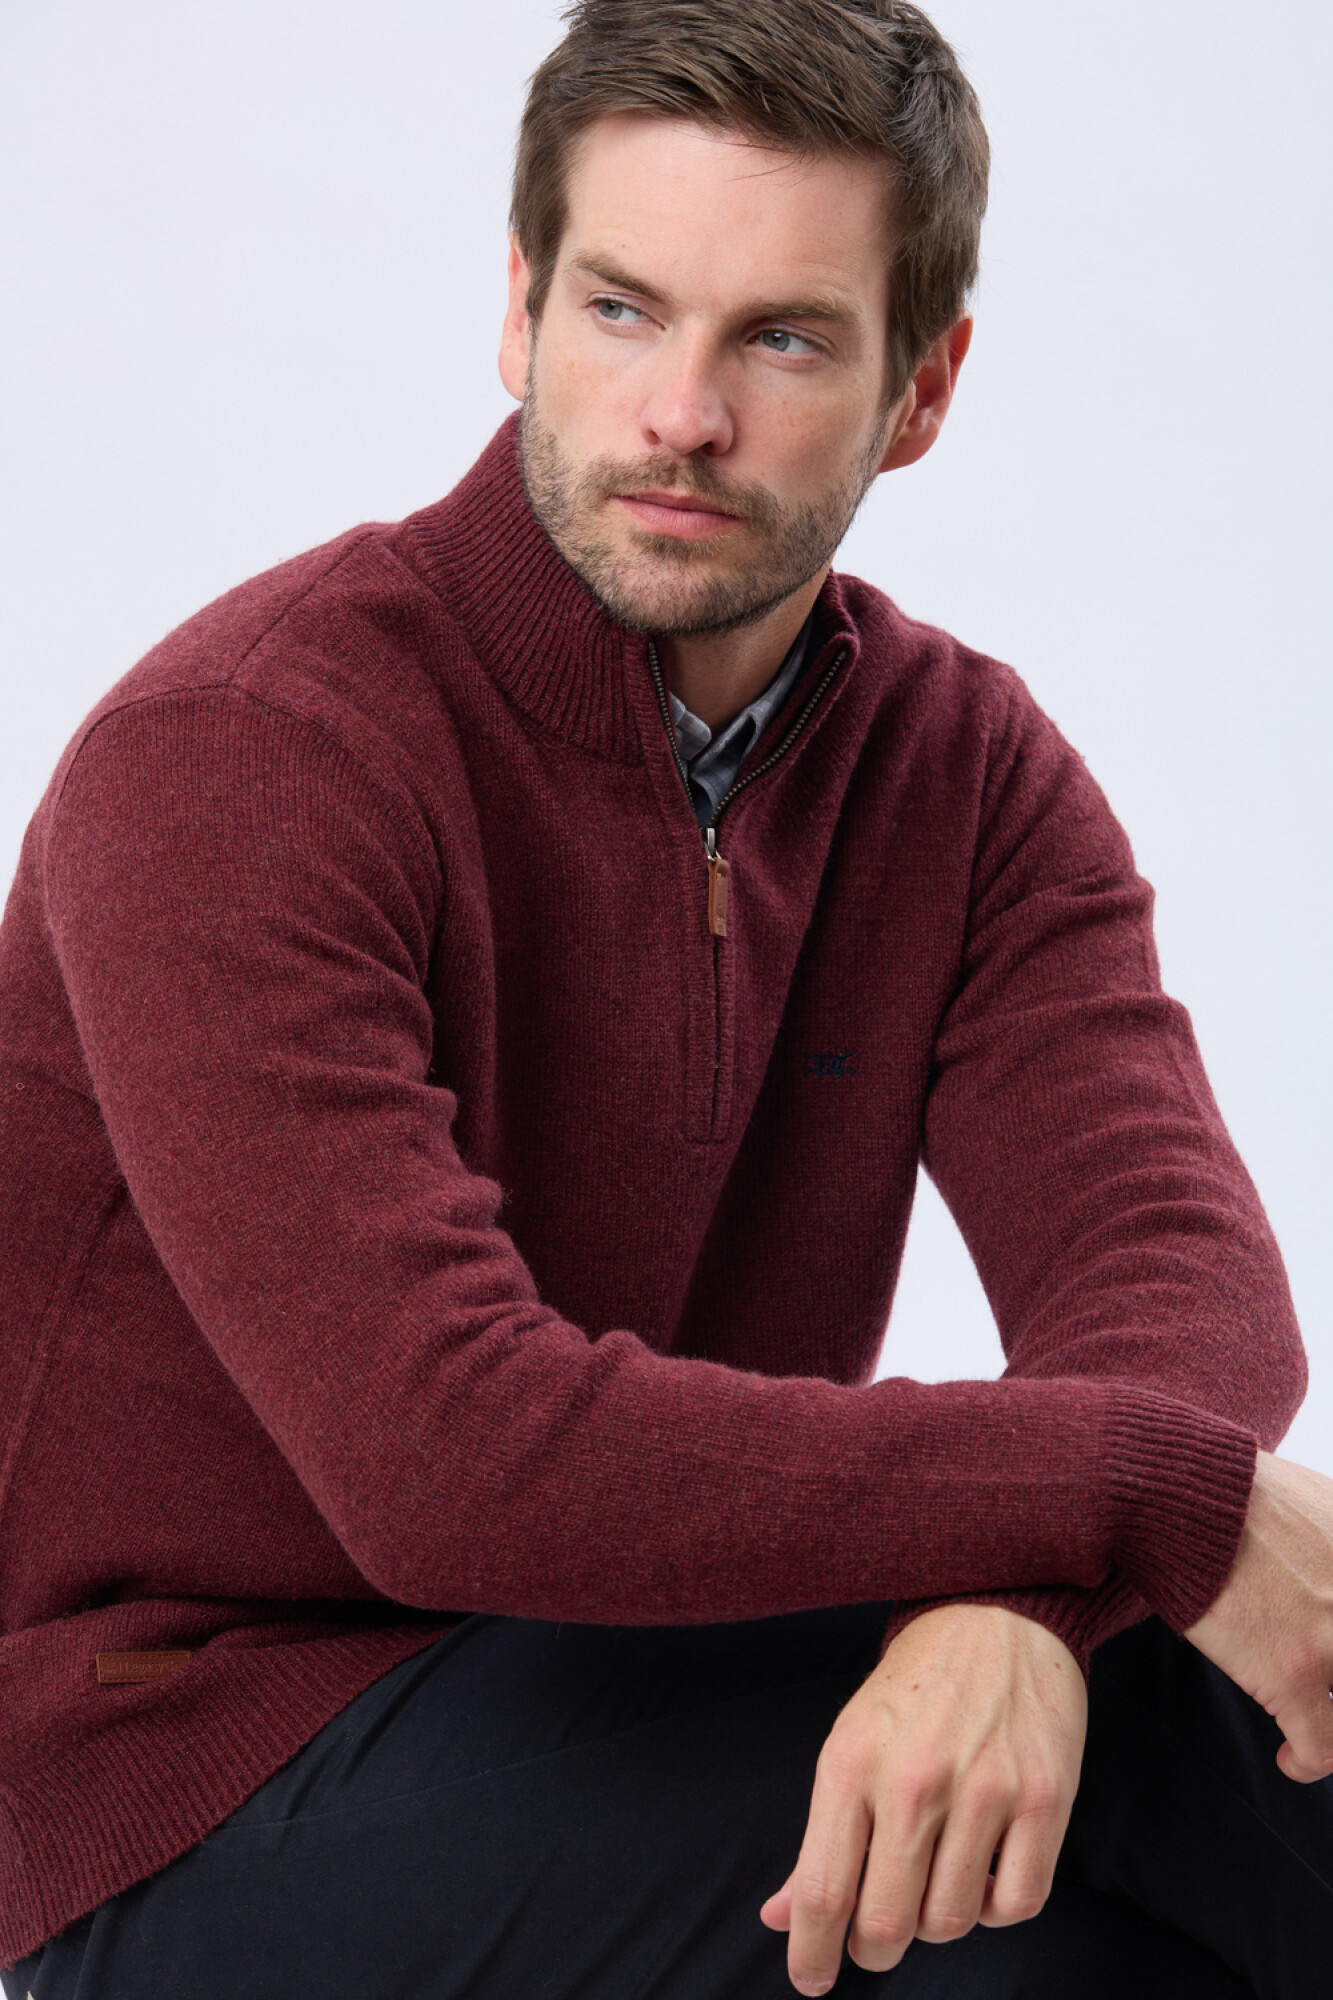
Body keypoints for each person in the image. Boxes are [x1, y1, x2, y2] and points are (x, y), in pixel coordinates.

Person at [1, 1, 1330, 1993]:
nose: (680, 414)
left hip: (641, 1675)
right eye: (623, 311)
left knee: (1184, 1761)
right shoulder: (247, 751)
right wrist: (1142, 1501)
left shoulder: (960, 769)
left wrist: (1015, 1612)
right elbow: (449, 1456)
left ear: (920, 388)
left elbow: (1171, 1271)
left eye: (780, 339)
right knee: (1080, 1825)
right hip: (189, 1759)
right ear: (519, 311)